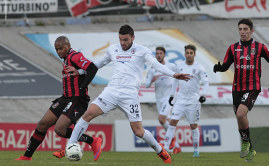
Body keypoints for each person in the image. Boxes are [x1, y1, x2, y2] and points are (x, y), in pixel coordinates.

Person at [66, 25, 190, 163]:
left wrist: (174, 75)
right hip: (111, 91)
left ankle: (160, 150)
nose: (123, 43)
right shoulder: (113, 49)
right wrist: (81, 72)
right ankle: (70, 145)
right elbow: (98, 64)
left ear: (133, 37)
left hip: (129, 95)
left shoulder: (142, 51)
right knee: (88, 114)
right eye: (120, 39)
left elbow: (156, 65)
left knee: (138, 131)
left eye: (125, 39)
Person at [15, 36, 101, 161]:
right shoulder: (66, 59)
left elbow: (92, 68)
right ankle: (26, 157)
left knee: (60, 130)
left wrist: (83, 87)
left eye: (61, 48)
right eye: (56, 49)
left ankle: (92, 140)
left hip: (77, 100)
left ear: (68, 45)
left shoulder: (75, 56)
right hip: (65, 98)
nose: (58, 51)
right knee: (42, 125)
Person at [213, 18, 269, 161]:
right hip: (237, 88)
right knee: (240, 120)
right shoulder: (232, 48)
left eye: (245, 29)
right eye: (240, 29)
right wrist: (219, 68)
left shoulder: (260, 47)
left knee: (241, 114)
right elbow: (225, 66)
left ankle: (246, 143)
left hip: (252, 87)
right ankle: (251, 149)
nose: (242, 32)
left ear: (251, 31)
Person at [163, 44, 209, 157]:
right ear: (184, 54)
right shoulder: (179, 66)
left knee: (193, 125)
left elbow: (206, 82)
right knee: (172, 121)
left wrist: (203, 94)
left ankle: (196, 151)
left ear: (194, 54)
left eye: (191, 53)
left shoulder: (199, 67)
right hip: (181, 99)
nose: (189, 55)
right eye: (187, 53)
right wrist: (172, 95)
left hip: (194, 100)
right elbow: (175, 81)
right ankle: (165, 149)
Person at [145, 46, 181, 154]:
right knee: (166, 121)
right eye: (157, 53)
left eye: (160, 53)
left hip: (169, 97)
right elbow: (146, 85)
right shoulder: (152, 69)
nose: (158, 55)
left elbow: (178, 77)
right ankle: (177, 147)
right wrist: (152, 80)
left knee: (161, 119)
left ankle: (172, 140)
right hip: (159, 99)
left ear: (164, 55)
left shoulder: (171, 66)